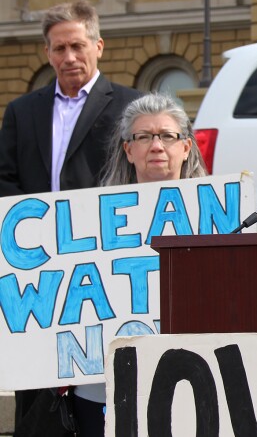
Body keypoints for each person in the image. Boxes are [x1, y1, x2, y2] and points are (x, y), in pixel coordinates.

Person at [0, 0, 141, 435]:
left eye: (78, 46)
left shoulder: (130, 106)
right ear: (47, 53)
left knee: (99, 378)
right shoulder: (22, 111)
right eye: (59, 48)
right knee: (36, 378)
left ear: (98, 46)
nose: (69, 57)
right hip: (37, 267)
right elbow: (4, 179)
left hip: (101, 265)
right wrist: (34, 231)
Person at [69, 93, 207, 436]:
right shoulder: (88, 222)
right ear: (128, 150)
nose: (156, 146)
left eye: (167, 136)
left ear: (186, 147)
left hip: (192, 378)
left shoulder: (216, 216)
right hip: (103, 386)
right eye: (144, 136)